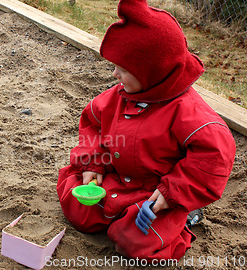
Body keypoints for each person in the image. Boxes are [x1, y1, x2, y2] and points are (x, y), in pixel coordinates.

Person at [56, 0, 236, 261]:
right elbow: (92, 125)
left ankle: (184, 218)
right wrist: (93, 165)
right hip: (117, 176)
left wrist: (171, 194)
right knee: (77, 209)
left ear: (153, 72)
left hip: (154, 192)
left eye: (124, 69)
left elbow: (212, 159)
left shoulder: (189, 113)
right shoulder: (118, 96)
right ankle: (114, 208)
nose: (115, 74)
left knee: (136, 243)